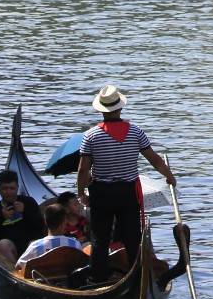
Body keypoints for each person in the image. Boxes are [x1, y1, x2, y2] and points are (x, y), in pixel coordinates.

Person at [75, 85, 177, 285]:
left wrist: (81, 194)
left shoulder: (91, 136)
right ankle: (137, 277)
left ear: (101, 110)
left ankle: (98, 278)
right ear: (120, 108)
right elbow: (155, 160)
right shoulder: (136, 132)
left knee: (99, 239)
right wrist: (169, 176)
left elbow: (83, 170)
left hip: (102, 193)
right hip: (127, 192)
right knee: (132, 237)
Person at [0, 169, 47, 264]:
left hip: (30, 243)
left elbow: (40, 226)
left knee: (34, 243)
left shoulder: (28, 202)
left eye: (12, 188)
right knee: (3, 244)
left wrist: (25, 211)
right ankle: (16, 271)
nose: (8, 192)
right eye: (5, 188)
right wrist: (2, 217)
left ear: (17, 188)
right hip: (10, 247)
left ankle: (32, 268)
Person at [16, 202, 82, 269]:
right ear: (64, 222)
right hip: (70, 279)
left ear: (45, 221)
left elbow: (18, 266)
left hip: (43, 279)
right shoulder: (74, 244)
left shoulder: (35, 246)